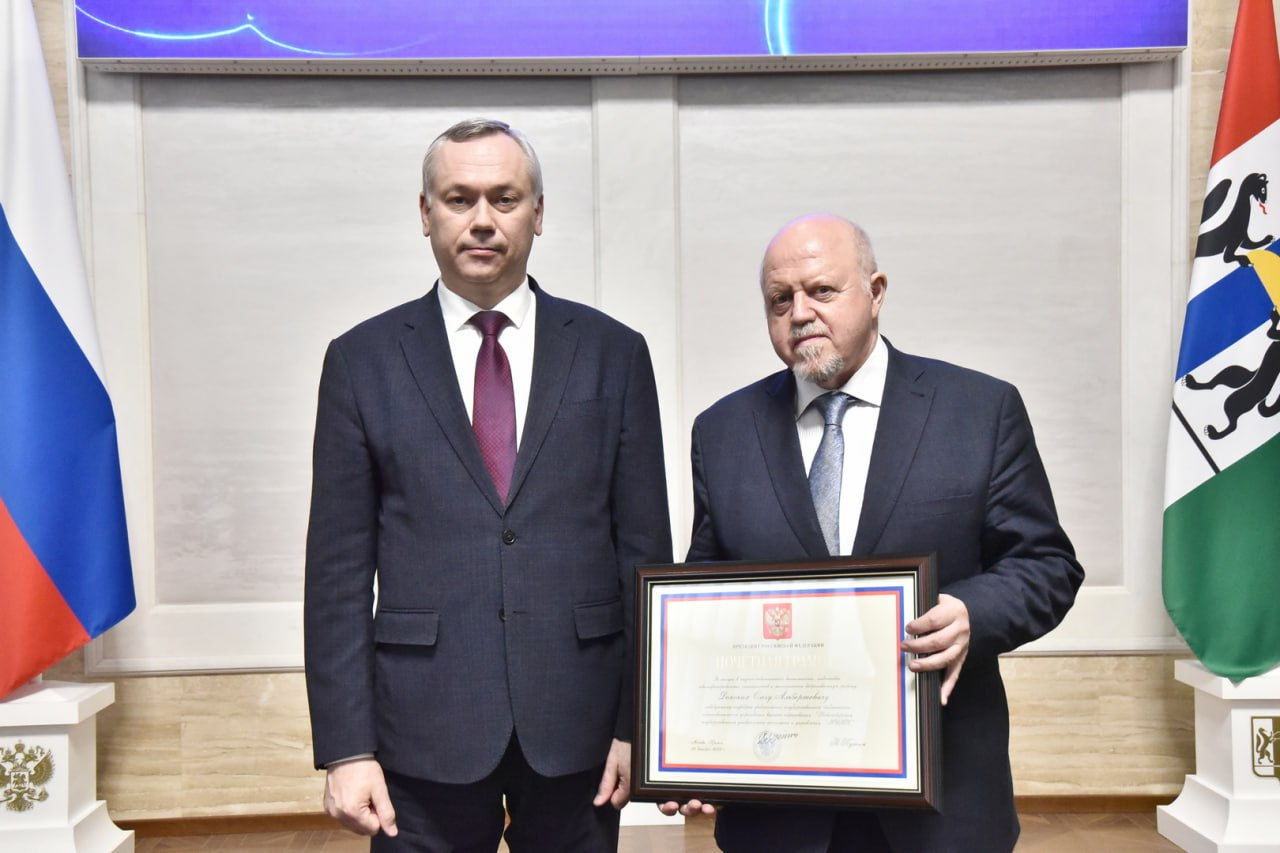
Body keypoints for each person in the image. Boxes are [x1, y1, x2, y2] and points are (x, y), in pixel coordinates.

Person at [304, 118, 672, 852]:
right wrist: (346, 748)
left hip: (580, 728)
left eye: (504, 198)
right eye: (459, 198)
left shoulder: (614, 353)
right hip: (420, 732)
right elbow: (338, 573)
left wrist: (640, 726)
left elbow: (644, 559)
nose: (482, 219)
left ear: (538, 213)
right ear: (425, 212)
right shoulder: (361, 361)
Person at [662, 214, 1083, 852]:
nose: (800, 313)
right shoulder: (723, 431)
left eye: (821, 291)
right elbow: (706, 596)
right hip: (780, 806)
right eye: (780, 299)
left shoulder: (979, 410)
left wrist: (971, 613)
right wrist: (691, 743)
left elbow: (1047, 565)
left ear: (876, 291)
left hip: (940, 799)